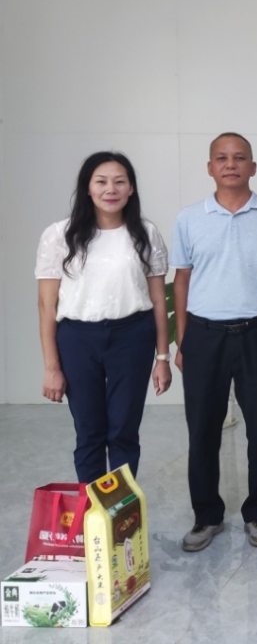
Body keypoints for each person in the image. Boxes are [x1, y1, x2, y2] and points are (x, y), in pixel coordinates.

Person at [171, 132, 257, 552]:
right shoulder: (189, 218)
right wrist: (183, 339)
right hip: (205, 335)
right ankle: (206, 515)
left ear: (253, 167)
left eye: (239, 158)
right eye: (221, 158)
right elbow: (181, 279)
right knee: (203, 429)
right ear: (210, 167)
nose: (231, 165)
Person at [36, 151, 172, 483]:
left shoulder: (145, 233)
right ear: (88, 188)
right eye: (101, 181)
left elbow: (158, 298)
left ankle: (120, 509)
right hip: (77, 339)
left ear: (131, 189)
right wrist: (52, 367)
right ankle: (92, 509)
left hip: (133, 336)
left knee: (124, 430)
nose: (110, 189)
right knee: (89, 431)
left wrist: (162, 357)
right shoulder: (59, 235)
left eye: (119, 182)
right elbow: (46, 306)